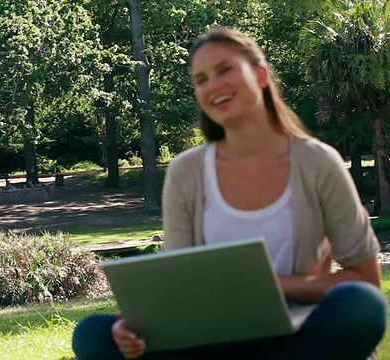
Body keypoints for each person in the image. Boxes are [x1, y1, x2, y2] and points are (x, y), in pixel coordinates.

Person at [72, 27, 387, 360]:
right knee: (93, 333)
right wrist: (137, 325)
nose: (213, 86)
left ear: (261, 75)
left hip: (299, 332)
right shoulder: (186, 172)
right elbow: (179, 284)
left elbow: (366, 280)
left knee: (360, 306)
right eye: (201, 79)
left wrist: (274, 286)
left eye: (225, 70)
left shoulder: (317, 161)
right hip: (213, 337)